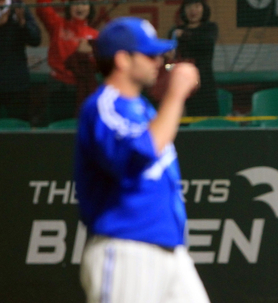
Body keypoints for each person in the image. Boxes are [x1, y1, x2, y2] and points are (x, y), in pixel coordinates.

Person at [75, 17, 209, 303]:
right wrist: (175, 95)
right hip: (126, 248)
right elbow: (139, 153)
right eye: (149, 55)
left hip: (170, 249)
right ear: (123, 59)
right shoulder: (103, 105)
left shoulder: (143, 109)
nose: (158, 61)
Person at [36, 0, 98, 123]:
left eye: (84, 3)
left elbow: (100, 65)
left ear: (90, 8)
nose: (79, 7)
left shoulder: (95, 35)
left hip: (82, 88)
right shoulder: (57, 25)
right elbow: (42, 8)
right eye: (75, 3)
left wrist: (89, 53)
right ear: (68, 6)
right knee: (57, 128)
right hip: (57, 86)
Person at [170, 0, 218, 116]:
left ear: (203, 8)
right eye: (189, 6)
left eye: (197, 6)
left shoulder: (210, 28)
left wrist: (185, 35)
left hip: (204, 84)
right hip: (181, 84)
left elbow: (206, 42)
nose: (193, 10)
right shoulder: (175, 32)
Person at [0, 0, 41, 122]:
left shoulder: (18, 6)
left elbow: (36, 40)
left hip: (16, 83)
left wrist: (23, 23)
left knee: (19, 128)